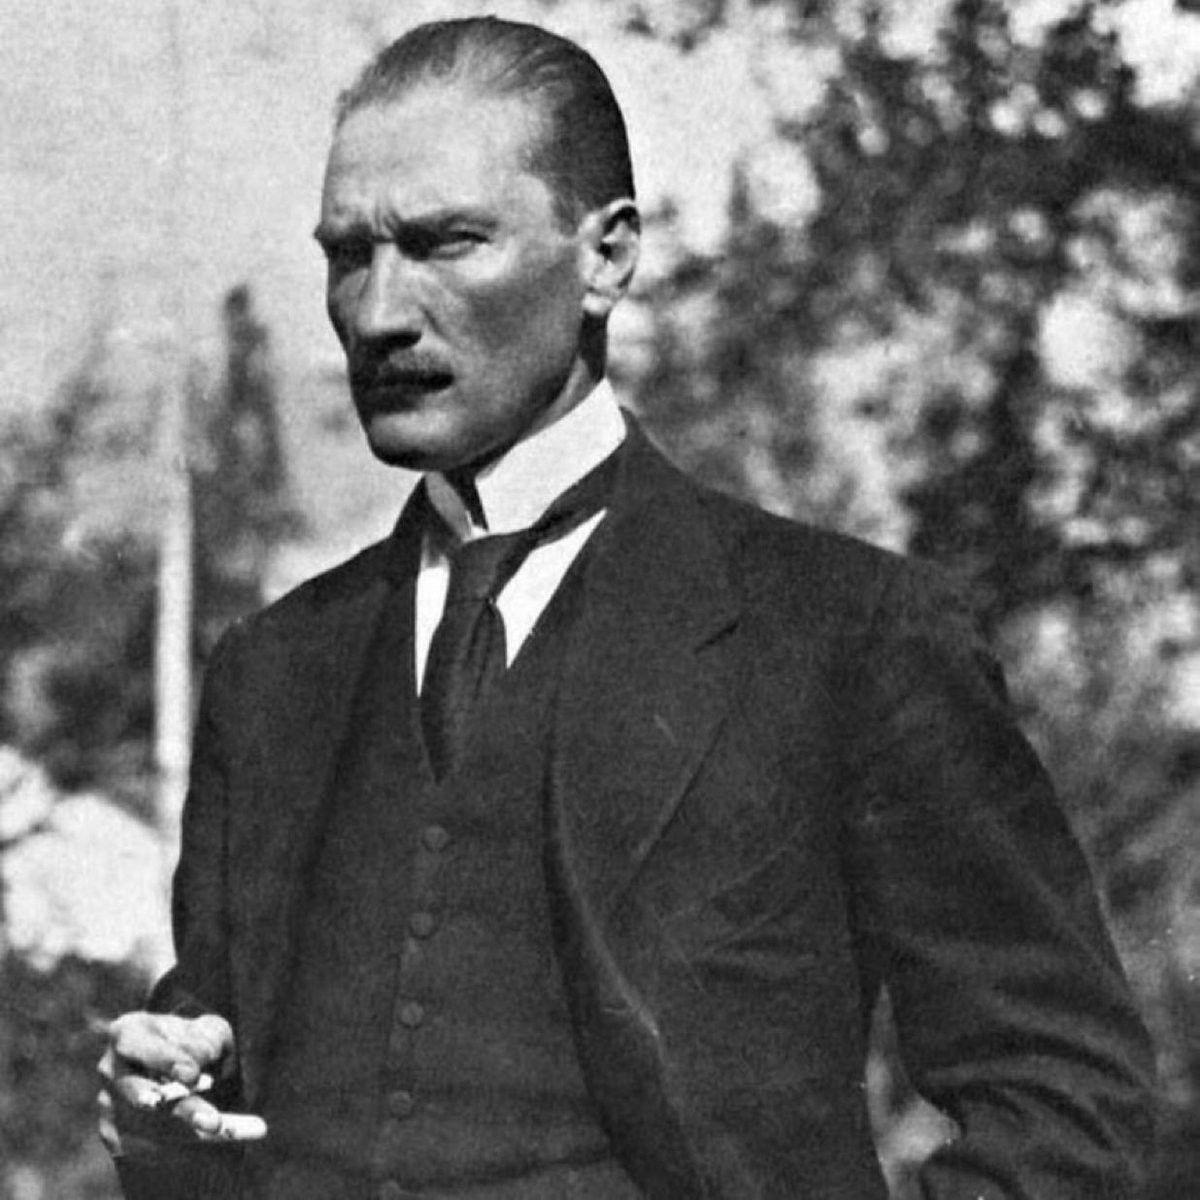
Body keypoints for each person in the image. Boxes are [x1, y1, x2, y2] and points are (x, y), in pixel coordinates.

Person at [99, 16, 1156, 1200]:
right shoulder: (274, 671)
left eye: (447, 242)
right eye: (350, 254)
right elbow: (225, 1097)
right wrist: (164, 1120)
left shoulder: (848, 636)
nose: (381, 311)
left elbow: (1066, 1100)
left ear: (606, 258)